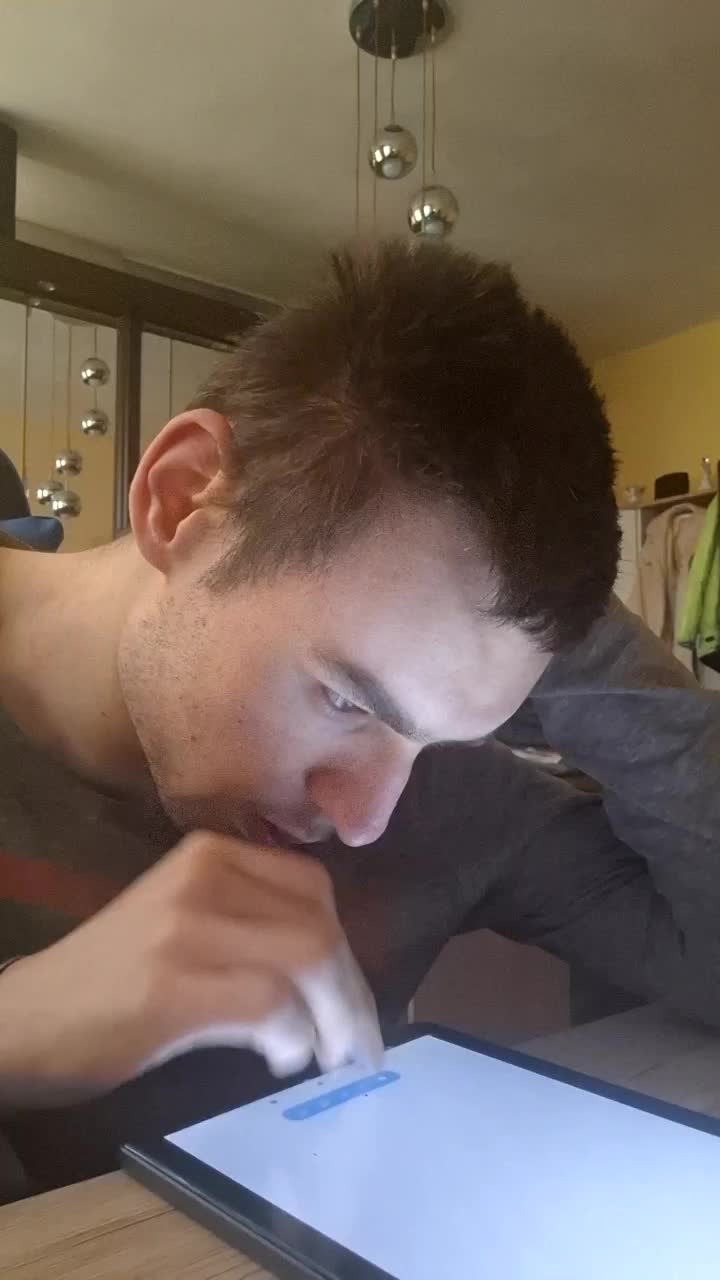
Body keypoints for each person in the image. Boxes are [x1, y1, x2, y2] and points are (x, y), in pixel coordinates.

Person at [0, 240, 718, 1195]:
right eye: (344, 698)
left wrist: (531, 635)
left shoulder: (446, 793)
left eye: (440, 735)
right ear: (180, 502)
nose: (368, 819)